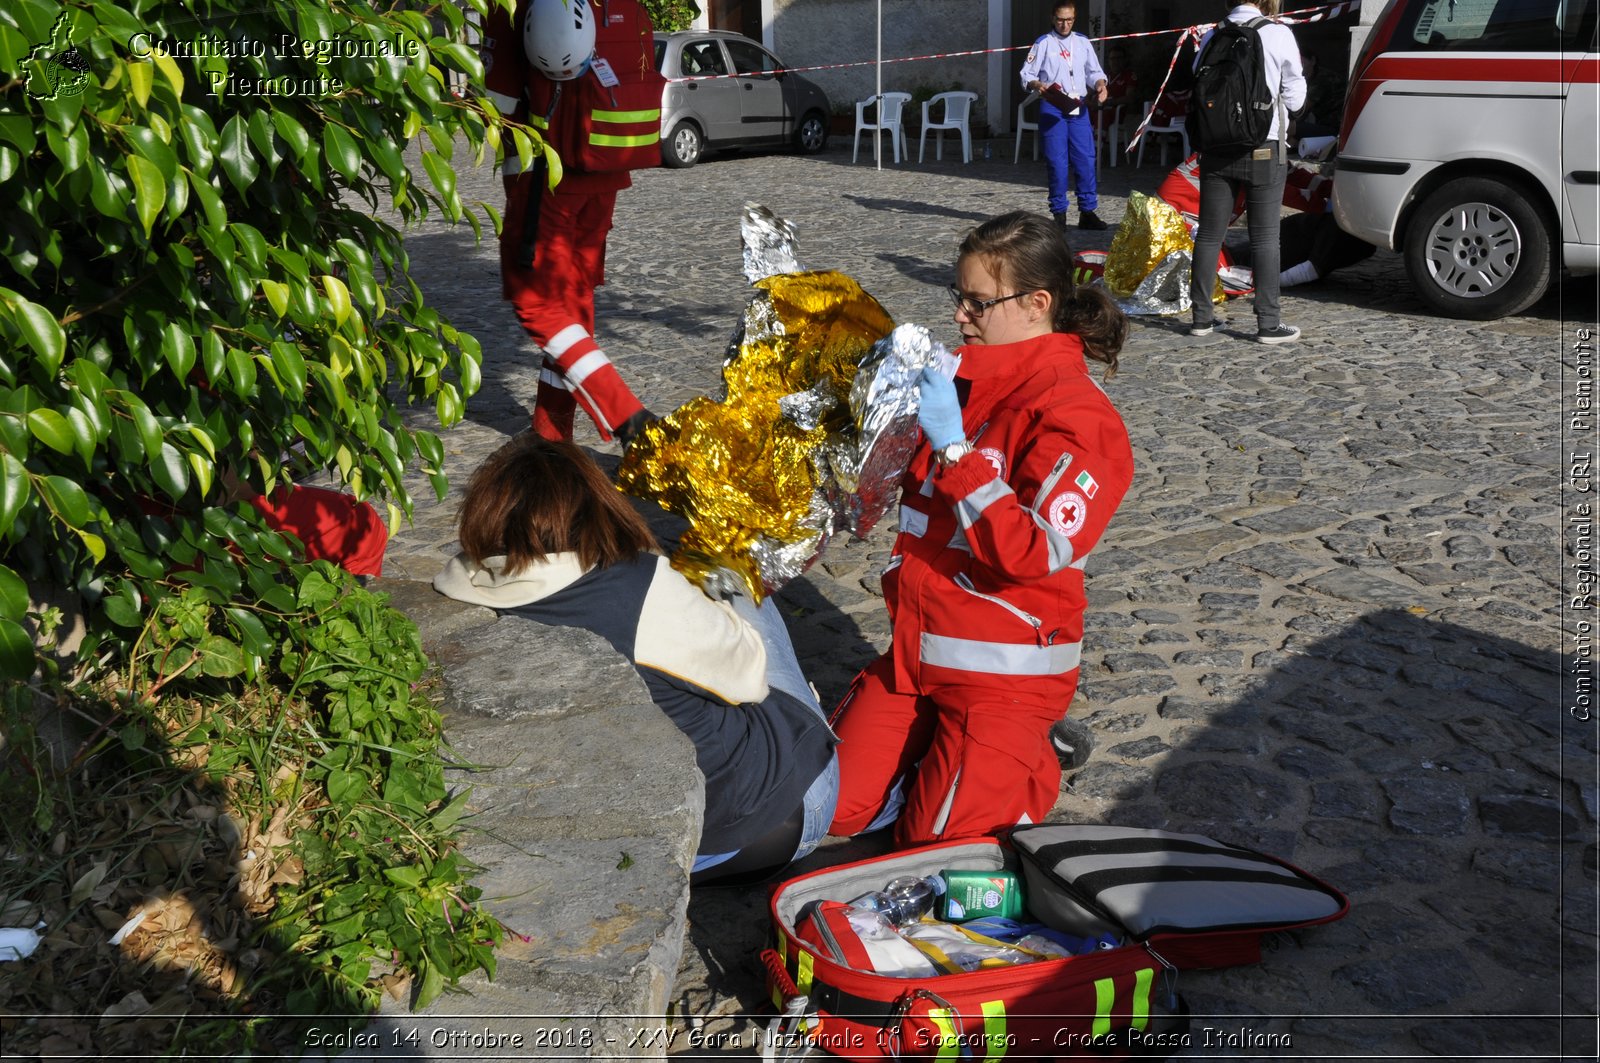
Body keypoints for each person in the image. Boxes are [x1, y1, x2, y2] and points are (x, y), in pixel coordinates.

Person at [828, 212, 1134, 848]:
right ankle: (953, 756)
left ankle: (1032, 754)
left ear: (1037, 304)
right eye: (958, 298)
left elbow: (1032, 550)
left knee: (934, 850)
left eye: (977, 302)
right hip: (918, 654)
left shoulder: (1078, 415)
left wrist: (955, 454)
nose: (961, 316)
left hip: (1004, 678)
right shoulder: (964, 383)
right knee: (830, 811)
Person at [432, 436, 839, 884]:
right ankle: (815, 713)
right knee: (733, 580)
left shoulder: (465, 588)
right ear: (595, 506)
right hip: (775, 818)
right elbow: (749, 682)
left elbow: (459, 568)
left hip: (648, 834)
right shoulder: (636, 588)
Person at [483, 0, 655, 445]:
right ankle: (551, 436)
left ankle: (628, 416)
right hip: (607, 172)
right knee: (573, 309)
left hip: (547, 180)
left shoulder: (511, 5)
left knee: (539, 304)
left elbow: (496, 104)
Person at [1187, 0, 1306, 344]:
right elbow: (1295, 97)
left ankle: (1201, 318)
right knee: (1266, 237)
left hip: (1215, 147)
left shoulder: (1212, 35)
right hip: (1264, 146)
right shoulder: (1278, 33)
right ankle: (1268, 323)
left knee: (1209, 234)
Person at [1020, 2, 1111, 231]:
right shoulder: (1043, 43)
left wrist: (1101, 85)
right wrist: (1036, 83)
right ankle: (1059, 214)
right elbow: (1026, 74)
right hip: (1053, 105)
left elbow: (1095, 72)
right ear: (1053, 18)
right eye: (1061, 19)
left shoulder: (1082, 42)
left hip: (1077, 105)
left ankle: (1087, 211)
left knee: (1085, 159)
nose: (1065, 24)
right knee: (1057, 161)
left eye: (1069, 19)